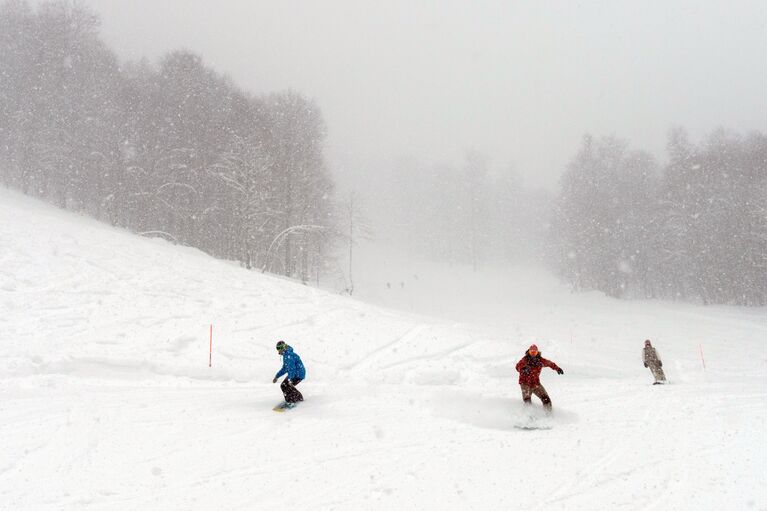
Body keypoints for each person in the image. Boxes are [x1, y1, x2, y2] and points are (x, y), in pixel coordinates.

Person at [515, 344, 563, 412]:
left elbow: (550, 363)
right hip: (525, 383)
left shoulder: (540, 361)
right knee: (527, 400)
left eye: (535, 352)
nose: (533, 354)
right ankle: (528, 416)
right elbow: (517, 367)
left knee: (545, 398)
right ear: (529, 352)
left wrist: (557, 368)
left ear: (537, 352)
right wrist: (523, 369)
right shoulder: (525, 360)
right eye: (531, 352)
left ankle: (548, 415)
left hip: (535, 383)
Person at [273, 341, 306, 408]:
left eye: (279, 348)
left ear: (283, 348)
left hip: (298, 374)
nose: (278, 351)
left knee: (286, 386)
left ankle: (292, 400)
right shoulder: (286, 355)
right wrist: (277, 376)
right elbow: (285, 368)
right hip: (294, 373)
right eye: (277, 348)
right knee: (285, 386)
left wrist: (290, 379)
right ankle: (295, 399)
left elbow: (292, 369)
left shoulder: (289, 356)